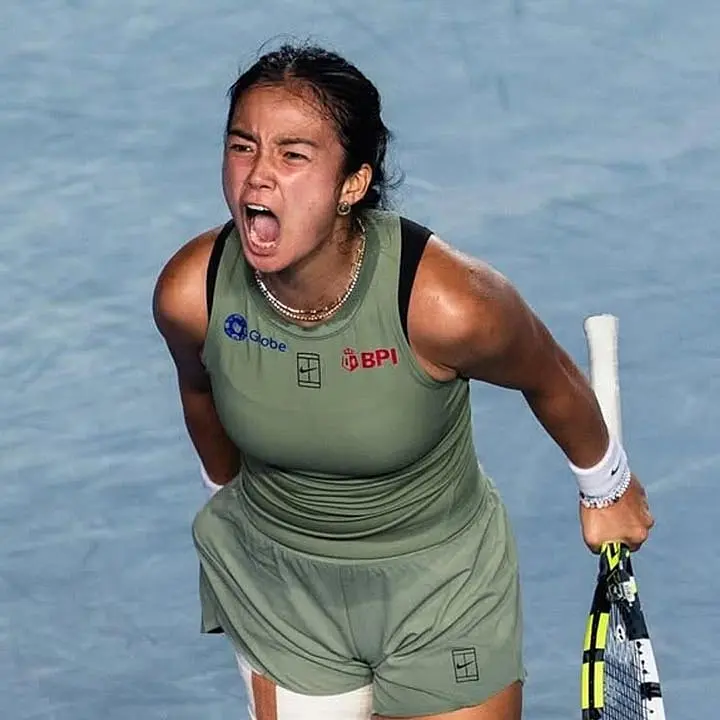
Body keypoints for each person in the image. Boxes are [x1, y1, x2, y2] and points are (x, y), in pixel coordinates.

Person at [152, 41, 654, 720]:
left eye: (293, 155)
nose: (257, 178)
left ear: (352, 184)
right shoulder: (194, 292)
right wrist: (228, 501)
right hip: (283, 595)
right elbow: (199, 389)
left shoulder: (448, 303)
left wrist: (607, 484)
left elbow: (548, 374)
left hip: (443, 593)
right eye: (243, 147)